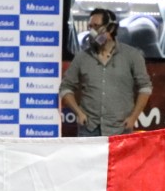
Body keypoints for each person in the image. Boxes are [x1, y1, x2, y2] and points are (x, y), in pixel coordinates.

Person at [59, 8, 153, 136]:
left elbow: (145, 88)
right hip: (89, 129)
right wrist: (79, 113)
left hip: (120, 129)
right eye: (90, 27)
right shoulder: (82, 57)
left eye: (96, 27)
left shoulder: (132, 55)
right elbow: (65, 88)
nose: (92, 32)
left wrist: (133, 118)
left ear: (111, 29)